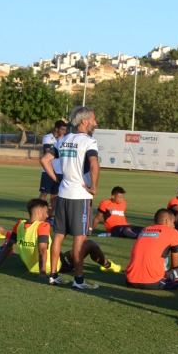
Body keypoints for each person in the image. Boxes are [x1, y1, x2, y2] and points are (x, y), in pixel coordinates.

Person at [0, 198, 121, 284]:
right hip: (54, 265)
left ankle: (106, 264)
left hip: (31, 267)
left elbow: (7, 247)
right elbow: (42, 249)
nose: (47, 215)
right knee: (90, 244)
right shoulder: (43, 225)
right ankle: (107, 265)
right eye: (46, 212)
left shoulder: (19, 224)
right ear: (40, 212)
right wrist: (42, 272)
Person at [40, 106, 102, 290]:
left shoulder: (64, 139)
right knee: (79, 238)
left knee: (58, 236)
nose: (95, 122)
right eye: (93, 119)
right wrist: (94, 187)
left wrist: (57, 178)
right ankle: (79, 280)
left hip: (63, 193)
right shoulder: (89, 142)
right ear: (84, 121)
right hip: (80, 195)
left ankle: (53, 276)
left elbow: (44, 160)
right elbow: (94, 164)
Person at [125, 208, 178, 290]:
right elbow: (175, 266)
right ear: (167, 221)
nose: (174, 226)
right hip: (153, 282)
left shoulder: (145, 230)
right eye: (174, 222)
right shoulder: (173, 232)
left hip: (130, 280)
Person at [38, 119, 69, 206]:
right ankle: (37, 212)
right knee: (44, 194)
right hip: (48, 171)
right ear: (56, 129)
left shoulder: (65, 139)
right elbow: (48, 151)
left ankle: (49, 216)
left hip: (60, 171)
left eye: (65, 129)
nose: (64, 132)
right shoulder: (47, 137)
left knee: (55, 196)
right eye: (62, 129)